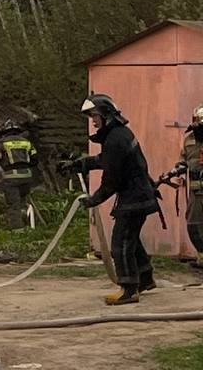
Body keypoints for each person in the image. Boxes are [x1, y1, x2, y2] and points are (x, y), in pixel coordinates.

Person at [71, 93, 157, 304]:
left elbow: (112, 179)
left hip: (134, 197)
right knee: (132, 239)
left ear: (106, 114)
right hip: (139, 194)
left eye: (94, 116)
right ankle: (145, 278)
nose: (93, 121)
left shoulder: (115, 139)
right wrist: (83, 163)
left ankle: (128, 289)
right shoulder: (119, 134)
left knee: (121, 243)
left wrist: (94, 199)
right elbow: (108, 160)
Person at [166, 104, 203, 270]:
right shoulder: (189, 139)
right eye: (196, 122)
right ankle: (202, 255)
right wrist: (178, 170)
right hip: (196, 192)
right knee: (193, 224)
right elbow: (183, 159)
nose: (197, 126)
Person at [0, 122, 38, 230]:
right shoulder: (26, 142)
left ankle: (17, 230)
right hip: (27, 176)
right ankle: (28, 225)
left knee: (14, 204)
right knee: (23, 201)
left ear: (5, 132)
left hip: (11, 178)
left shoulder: (2, 143)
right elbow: (35, 159)